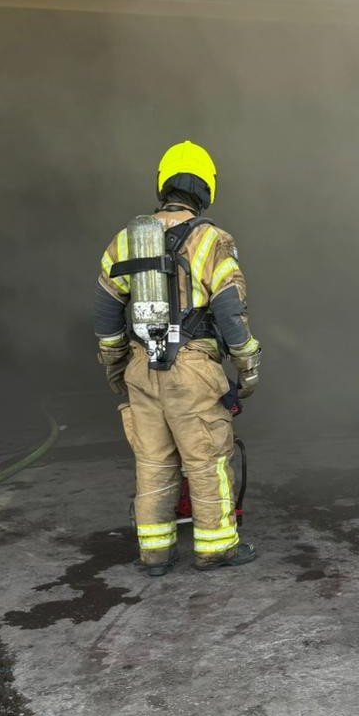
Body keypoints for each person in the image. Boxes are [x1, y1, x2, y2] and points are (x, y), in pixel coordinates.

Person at [94, 140, 261, 576]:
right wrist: (247, 365)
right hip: (193, 369)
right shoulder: (212, 240)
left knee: (153, 463)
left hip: (141, 366)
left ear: (163, 184)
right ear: (207, 188)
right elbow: (229, 312)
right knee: (206, 460)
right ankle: (216, 548)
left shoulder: (126, 240)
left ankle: (155, 554)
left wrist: (116, 366)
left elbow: (107, 313)